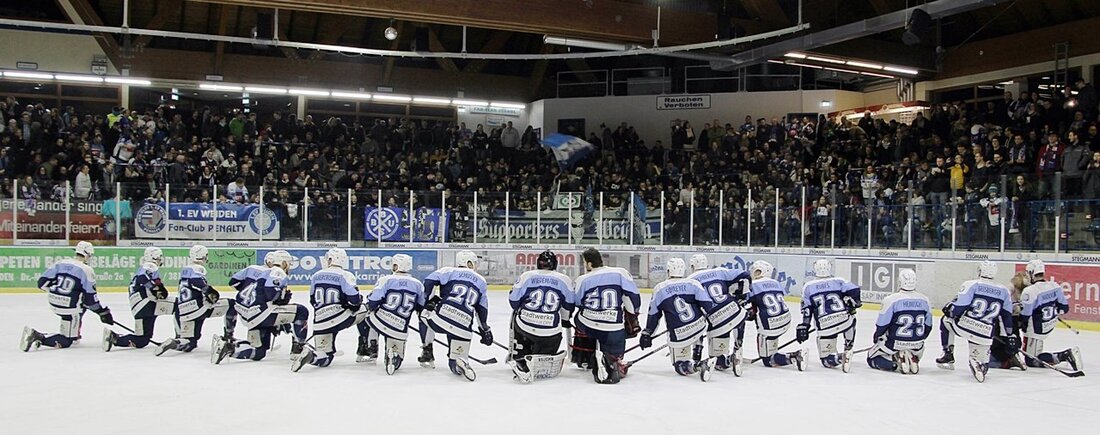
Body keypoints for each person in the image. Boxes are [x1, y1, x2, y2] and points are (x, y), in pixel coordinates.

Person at [213, 250, 308, 364]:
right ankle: (299, 348)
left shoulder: (259, 270)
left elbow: (234, 282)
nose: (289, 267)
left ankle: (229, 348)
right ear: (283, 263)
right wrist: (282, 298)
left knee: (259, 352)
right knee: (301, 311)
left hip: (247, 314)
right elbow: (271, 294)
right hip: (261, 314)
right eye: (288, 263)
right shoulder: (278, 272)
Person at [21, 242, 114, 351]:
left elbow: (41, 283)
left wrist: (56, 293)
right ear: (87, 255)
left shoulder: (60, 263)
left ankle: (74, 333)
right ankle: (38, 337)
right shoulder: (87, 270)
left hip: (53, 302)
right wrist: (102, 312)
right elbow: (90, 299)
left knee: (79, 305)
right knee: (66, 340)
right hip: (69, 308)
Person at [293, 249, 374, 372]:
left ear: (331, 259)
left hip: (320, 322)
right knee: (367, 310)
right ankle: (364, 351)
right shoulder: (346, 275)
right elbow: (354, 301)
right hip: (340, 318)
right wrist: (351, 304)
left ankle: (311, 356)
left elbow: (312, 300)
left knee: (325, 357)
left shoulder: (316, 275)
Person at [936, 260, 1018, 383]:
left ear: (980, 271)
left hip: (966, 326)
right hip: (985, 333)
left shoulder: (971, 284)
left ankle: (948, 354)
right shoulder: (1004, 291)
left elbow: (959, 308)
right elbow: (1006, 316)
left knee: (945, 321)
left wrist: (950, 311)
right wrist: (1010, 335)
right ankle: (978, 362)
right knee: (983, 365)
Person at [419, 250, 492, 381]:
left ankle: (427, 349)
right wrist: (484, 328)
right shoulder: (481, 281)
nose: (475, 265)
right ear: (468, 263)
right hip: (463, 326)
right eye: (474, 263)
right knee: (454, 361)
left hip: (441, 320)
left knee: (424, 315)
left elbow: (429, 281)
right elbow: (481, 309)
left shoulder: (448, 271)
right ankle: (459, 361)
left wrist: (429, 300)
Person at [572, 248, 641, 384]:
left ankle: (585, 355)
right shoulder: (621, 273)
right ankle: (613, 359)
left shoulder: (582, 279)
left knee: (578, 317)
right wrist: (633, 317)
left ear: (589, 264)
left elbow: (577, 303)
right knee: (616, 343)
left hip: (589, 326)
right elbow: (633, 299)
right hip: (613, 330)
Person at [640, 258, 715, 380]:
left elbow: (654, 315)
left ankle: (697, 365)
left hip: (679, 334)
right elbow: (708, 305)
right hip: (699, 326)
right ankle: (698, 347)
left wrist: (648, 332)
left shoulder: (660, 288)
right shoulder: (693, 283)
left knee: (679, 365)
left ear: (668, 271)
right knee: (697, 324)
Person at [155, 245, 237, 356]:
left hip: (184, 311)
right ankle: (229, 337)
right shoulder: (198, 268)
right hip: (199, 309)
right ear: (203, 256)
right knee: (232, 304)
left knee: (190, 343)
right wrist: (210, 293)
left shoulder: (185, 269)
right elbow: (196, 281)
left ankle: (175, 342)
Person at [507, 250, 575, 383]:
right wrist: (565, 320)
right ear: (555, 264)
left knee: (517, 316)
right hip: (550, 333)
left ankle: (519, 352)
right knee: (550, 339)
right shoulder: (564, 280)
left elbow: (514, 303)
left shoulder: (526, 276)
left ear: (538, 263)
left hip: (524, 327)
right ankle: (539, 357)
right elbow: (568, 306)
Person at [361, 253, 426, 375]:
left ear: (396, 266)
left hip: (381, 321)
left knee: (369, 315)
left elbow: (373, 302)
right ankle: (394, 357)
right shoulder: (417, 284)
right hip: (400, 327)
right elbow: (421, 306)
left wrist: (371, 304)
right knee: (397, 358)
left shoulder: (385, 280)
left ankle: (372, 346)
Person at [687, 254, 749, 375]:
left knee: (717, 361)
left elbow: (696, 318)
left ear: (693, 266)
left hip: (717, 319)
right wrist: (742, 295)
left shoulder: (690, 281)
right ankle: (737, 348)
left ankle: (728, 359)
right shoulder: (719, 271)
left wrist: (697, 351)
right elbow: (744, 275)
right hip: (735, 310)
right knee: (736, 320)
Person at [796, 258, 861, 372]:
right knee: (851, 318)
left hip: (825, 326)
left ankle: (840, 358)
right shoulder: (839, 280)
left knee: (827, 361)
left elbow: (807, 308)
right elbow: (855, 289)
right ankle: (848, 346)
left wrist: (805, 325)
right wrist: (855, 303)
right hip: (843, 320)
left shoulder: (808, 286)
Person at [103, 247, 174, 351]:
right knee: (178, 306)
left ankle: (115, 338)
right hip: (147, 303)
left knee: (142, 340)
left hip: (138, 308)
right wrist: (155, 289)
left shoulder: (142, 268)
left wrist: (156, 289)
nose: (160, 260)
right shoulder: (150, 265)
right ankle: (181, 338)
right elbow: (143, 278)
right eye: (159, 257)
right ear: (153, 257)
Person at [1018, 260, 1082, 370]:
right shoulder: (1054, 286)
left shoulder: (1030, 291)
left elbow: (1025, 316)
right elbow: (1064, 308)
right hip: (1049, 324)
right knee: (1033, 354)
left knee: (1031, 360)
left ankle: (1065, 355)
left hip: (1035, 329)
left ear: (1032, 273)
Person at [867, 269, 932, 374]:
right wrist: (919, 339)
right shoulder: (925, 300)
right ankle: (912, 357)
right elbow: (928, 326)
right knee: (913, 346)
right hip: (917, 345)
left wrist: (877, 338)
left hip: (894, 343)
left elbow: (882, 325)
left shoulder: (891, 300)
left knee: (871, 357)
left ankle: (895, 363)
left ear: (900, 282)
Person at [745, 261, 803, 370]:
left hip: (769, 325)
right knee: (771, 338)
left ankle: (794, 357)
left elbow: (746, 304)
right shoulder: (776, 283)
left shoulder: (752, 285)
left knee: (768, 361)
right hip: (785, 320)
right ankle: (772, 350)